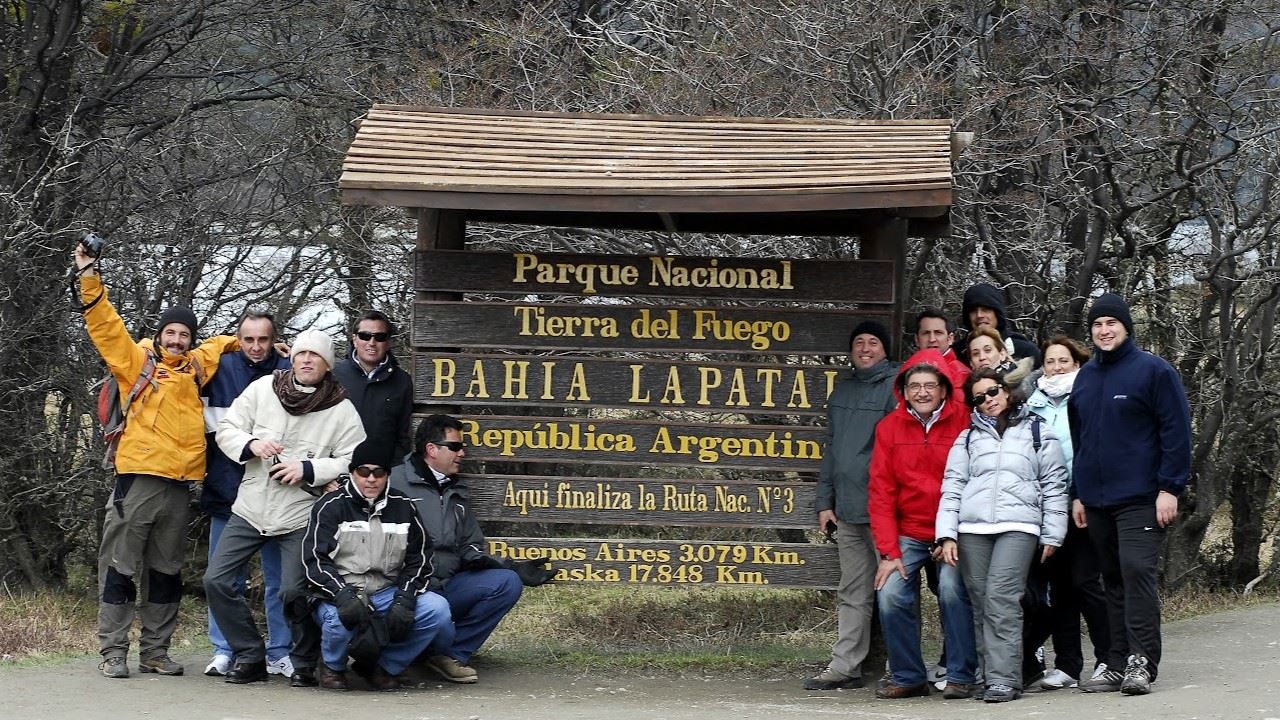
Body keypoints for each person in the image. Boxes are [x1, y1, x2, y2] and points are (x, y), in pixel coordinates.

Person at [74, 244, 238, 679]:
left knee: (167, 573)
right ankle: (113, 652)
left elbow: (221, 344)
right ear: (161, 333)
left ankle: (155, 652)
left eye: (184, 334)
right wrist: (89, 275)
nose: (177, 339)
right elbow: (104, 326)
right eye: (172, 333)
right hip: (138, 481)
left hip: (181, 486)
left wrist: (248, 339)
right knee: (120, 568)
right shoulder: (137, 362)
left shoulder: (196, 366)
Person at [206, 330, 367, 686]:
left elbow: (354, 459)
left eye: (316, 356)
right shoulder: (264, 389)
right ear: (292, 357)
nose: (307, 360)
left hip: (301, 513)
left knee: (294, 591)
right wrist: (252, 443)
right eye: (301, 354)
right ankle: (249, 654)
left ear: (327, 366)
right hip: (251, 506)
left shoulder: (341, 409)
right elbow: (227, 428)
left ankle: (304, 662)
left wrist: (308, 469)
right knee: (215, 580)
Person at [1070, 294, 1192, 695]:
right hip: (1096, 499)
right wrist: (1077, 494)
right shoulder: (1085, 377)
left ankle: (1142, 661)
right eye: (1097, 325)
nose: (1104, 331)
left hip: (1142, 496)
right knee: (1110, 579)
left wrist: (1169, 488)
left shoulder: (1153, 371)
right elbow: (1080, 439)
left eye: (1111, 323)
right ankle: (1115, 660)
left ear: (1126, 326)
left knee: (1136, 570)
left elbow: (1176, 433)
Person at [390, 414, 555, 684]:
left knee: (506, 583)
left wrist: (510, 567)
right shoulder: (395, 483)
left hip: (448, 584)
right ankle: (405, 651)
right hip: (408, 588)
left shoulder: (455, 489)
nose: (462, 453)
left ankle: (448, 655)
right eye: (455, 447)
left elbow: (471, 546)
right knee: (433, 609)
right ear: (432, 449)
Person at [936, 369, 1069, 703]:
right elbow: (952, 488)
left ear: (1006, 390)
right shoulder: (967, 439)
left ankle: (1005, 679)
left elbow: (1054, 483)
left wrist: (1053, 532)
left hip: (1019, 526)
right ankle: (988, 675)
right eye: (979, 397)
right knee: (980, 601)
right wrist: (946, 535)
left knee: (1001, 596)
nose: (988, 400)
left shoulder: (1038, 430)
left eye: (992, 391)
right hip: (973, 529)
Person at [868, 351, 979, 699]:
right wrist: (888, 551)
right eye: (914, 385)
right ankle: (908, 675)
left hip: (955, 530)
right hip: (909, 531)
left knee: (951, 590)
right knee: (890, 594)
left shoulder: (966, 420)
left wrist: (958, 531)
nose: (922, 392)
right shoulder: (889, 427)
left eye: (930, 385)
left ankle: (961, 674)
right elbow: (881, 492)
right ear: (903, 389)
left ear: (944, 389)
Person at [302, 440, 452, 691]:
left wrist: (405, 597)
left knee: (437, 610)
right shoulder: (330, 506)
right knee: (338, 621)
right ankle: (332, 667)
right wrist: (342, 594)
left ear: (387, 475)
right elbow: (314, 561)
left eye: (379, 472)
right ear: (352, 473)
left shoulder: (404, 506)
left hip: (386, 589)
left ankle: (384, 666)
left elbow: (421, 558)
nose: (371, 479)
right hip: (337, 592)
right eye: (363, 472)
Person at [806, 321, 900, 690]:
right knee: (853, 591)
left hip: (884, 511)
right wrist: (824, 501)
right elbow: (832, 450)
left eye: (873, 342)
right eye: (858, 342)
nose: (865, 348)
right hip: (846, 510)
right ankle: (845, 666)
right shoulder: (841, 390)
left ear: (884, 349)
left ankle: (901, 665)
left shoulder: (895, 388)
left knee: (894, 593)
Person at [201, 311, 294, 679]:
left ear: (275, 340)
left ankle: (281, 651)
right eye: (248, 339)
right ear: (236, 340)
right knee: (224, 579)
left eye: (264, 339)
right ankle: (225, 649)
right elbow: (174, 356)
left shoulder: (290, 369)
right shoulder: (216, 368)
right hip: (226, 490)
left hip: (278, 495)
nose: (256, 347)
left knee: (279, 581)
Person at [1020, 335, 1111, 690]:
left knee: (1088, 582)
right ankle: (1068, 664)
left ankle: (1108, 658)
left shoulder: (1089, 395)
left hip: (1084, 502)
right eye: (1051, 361)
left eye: (1064, 360)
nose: (1057, 367)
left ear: (1077, 363)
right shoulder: (1032, 402)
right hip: (1048, 506)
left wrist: (1083, 494)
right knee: (1059, 588)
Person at [333, 311, 414, 466]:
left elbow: (403, 437)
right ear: (354, 339)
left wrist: (394, 473)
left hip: (383, 475)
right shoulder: (333, 376)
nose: (371, 342)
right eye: (365, 336)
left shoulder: (402, 381)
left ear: (388, 342)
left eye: (380, 337)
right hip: (339, 469)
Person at [954, 283, 1040, 367]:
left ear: (997, 314)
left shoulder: (1025, 351)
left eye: (986, 309)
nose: (979, 315)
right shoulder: (957, 354)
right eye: (973, 311)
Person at [965, 327, 1033, 395]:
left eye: (987, 350)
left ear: (1002, 354)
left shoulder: (1028, 385)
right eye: (976, 354)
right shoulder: (969, 393)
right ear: (971, 363)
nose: (982, 357)